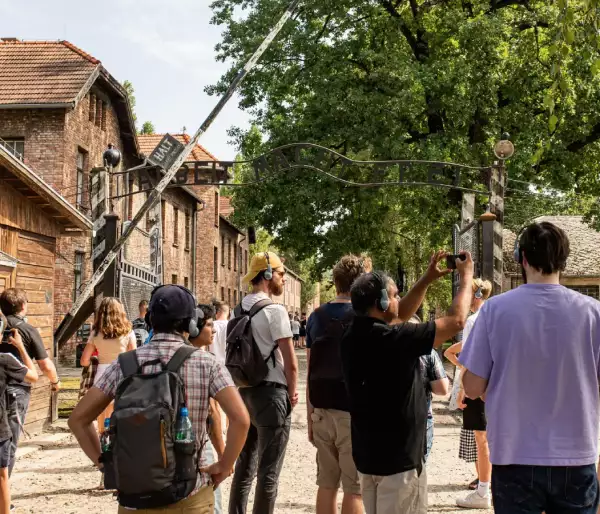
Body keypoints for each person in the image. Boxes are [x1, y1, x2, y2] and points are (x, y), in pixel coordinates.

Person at [69, 284, 250, 513]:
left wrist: (106, 465)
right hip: (190, 494)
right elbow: (241, 419)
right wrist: (225, 465)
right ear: (191, 324)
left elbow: (78, 420)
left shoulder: (124, 364)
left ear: (150, 320)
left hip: (135, 498)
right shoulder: (206, 364)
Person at [461, 221, 600, 514]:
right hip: (576, 455)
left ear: (521, 258)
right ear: (564, 259)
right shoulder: (592, 312)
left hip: (514, 455)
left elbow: (472, 387)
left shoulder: (494, 310)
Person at [341, 251, 474, 514]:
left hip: (369, 458)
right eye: (393, 295)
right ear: (380, 302)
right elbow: (456, 321)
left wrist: (426, 280)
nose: (398, 299)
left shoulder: (353, 334)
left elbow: (398, 314)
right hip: (399, 464)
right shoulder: (396, 339)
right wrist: (466, 276)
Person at [229, 251, 299, 514]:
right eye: (281, 273)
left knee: (244, 468)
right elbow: (291, 363)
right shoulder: (274, 311)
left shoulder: (238, 309)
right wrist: (292, 394)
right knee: (269, 472)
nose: (284, 279)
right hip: (271, 395)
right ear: (268, 275)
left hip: (244, 393)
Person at [306, 254, 372, 514]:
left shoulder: (316, 316)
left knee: (326, 484)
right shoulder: (364, 316)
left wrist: (310, 416)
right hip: (353, 411)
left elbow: (310, 370)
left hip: (322, 408)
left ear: (335, 282)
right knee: (354, 488)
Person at [0, 288, 60, 477]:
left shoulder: (2, 326)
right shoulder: (26, 330)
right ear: (23, 306)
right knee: (9, 442)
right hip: (17, 389)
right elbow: (44, 364)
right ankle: (4, 497)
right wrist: (55, 382)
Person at [453, 278, 493, 509]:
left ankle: (483, 491)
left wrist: (461, 389)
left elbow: (469, 357)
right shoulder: (498, 316)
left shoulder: (473, 321)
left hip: (479, 386)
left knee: (482, 440)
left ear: (476, 295)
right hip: (498, 385)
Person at [80, 297, 137, 435]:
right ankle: (117, 436)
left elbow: (84, 361)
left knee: (102, 409)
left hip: (102, 373)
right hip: (121, 372)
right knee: (118, 407)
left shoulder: (95, 333)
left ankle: (102, 436)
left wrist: (95, 359)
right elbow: (133, 357)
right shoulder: (128, 331)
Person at [0, 314, 38, 513]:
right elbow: (33, 376)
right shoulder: (5, 360)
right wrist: (21, 347)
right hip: (0, 429)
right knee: (2, 476)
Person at [189, 303, 225, 514]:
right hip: (200, 449)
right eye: (209, 325)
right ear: (194, 328)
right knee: (214, 505)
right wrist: (224, 458)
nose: (214, 329)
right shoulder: (204, 363)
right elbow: (213, 414)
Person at [411, 315, 449, 463]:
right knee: (419, 466)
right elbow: (442, 389)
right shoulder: (428, 353)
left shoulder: (383, 348)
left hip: (388, 419)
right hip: (420, 416)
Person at [210, 300, 229, 365]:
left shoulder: (209, 326)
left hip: (212, 364)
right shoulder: (233, 326)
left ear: (216, 311)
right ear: (228, 312)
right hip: (228, 365)